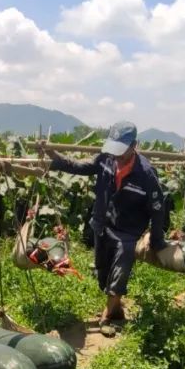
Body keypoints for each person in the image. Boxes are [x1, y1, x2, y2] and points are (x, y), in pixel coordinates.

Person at [36, 121, 168, 331]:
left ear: (134, 145)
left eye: (121, 150)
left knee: (119, 270)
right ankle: (117, 308)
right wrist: (53, 155)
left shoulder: (146, 173)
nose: (116, 155)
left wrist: (157, 240)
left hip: (128, 231)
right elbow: (79, 167)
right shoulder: (106, 159)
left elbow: (158, 208)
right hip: (102, 224)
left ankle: (108, 313)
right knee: (103, 272)